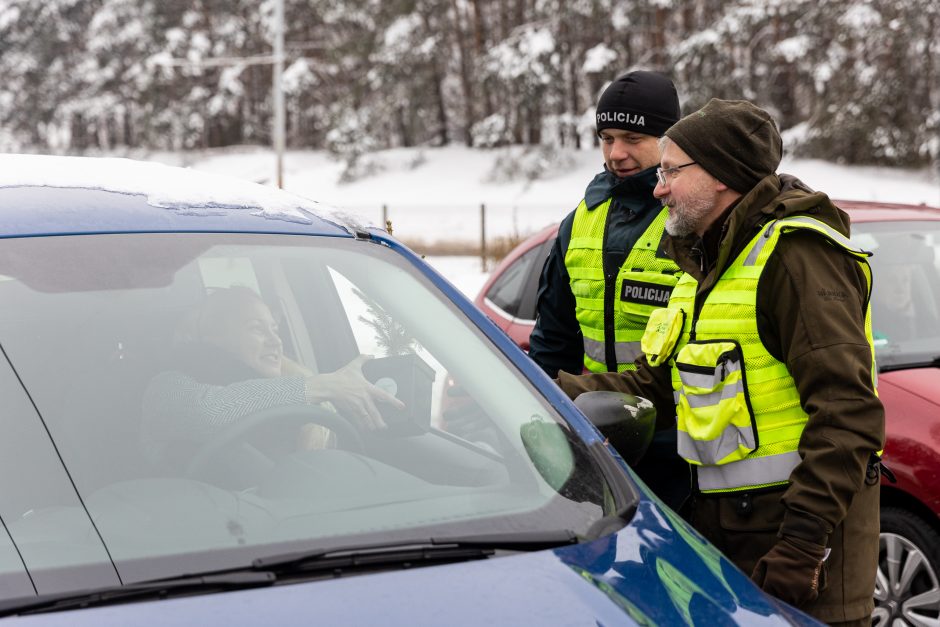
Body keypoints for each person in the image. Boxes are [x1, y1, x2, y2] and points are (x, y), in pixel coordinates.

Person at [554, 99, 884, 625]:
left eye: (670, 171)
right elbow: (655, 387)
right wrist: (535, 388)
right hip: (732, 550)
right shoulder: (706, 264)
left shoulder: (796, 258)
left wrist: (802, 547)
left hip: (803, 561)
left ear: (723, 176)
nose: (658, 187)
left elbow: (848, 415)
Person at [526, 69, 688, 511]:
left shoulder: (693, 219)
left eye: (633, 138)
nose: (616, 153)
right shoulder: (580, 221)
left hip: (686, 455)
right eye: (606, 137)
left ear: (670, 138)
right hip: (599, 444)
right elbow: (552, 339)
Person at [141, 286, 403, 465]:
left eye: (275, 329)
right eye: (256, 328)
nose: (275, 341)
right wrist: (321, 387)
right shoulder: (165, 387)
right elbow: (208, 411)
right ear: (212, 339)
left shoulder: (285, 393)